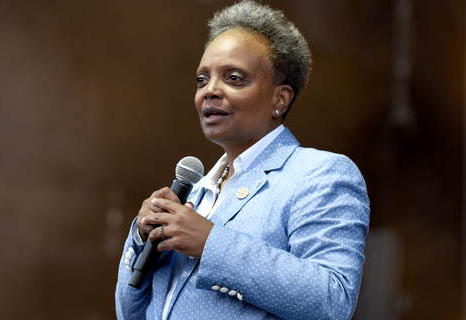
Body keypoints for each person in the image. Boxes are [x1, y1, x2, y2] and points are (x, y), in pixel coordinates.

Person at [115, 1, 370, 319]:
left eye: (233, 78)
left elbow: (332, 300)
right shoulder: (193, 195)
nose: (210, 90)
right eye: (202, 79)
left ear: (280, 98)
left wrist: (210, 243)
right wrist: (140, 237)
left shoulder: (320, 175)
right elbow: (130, 313)